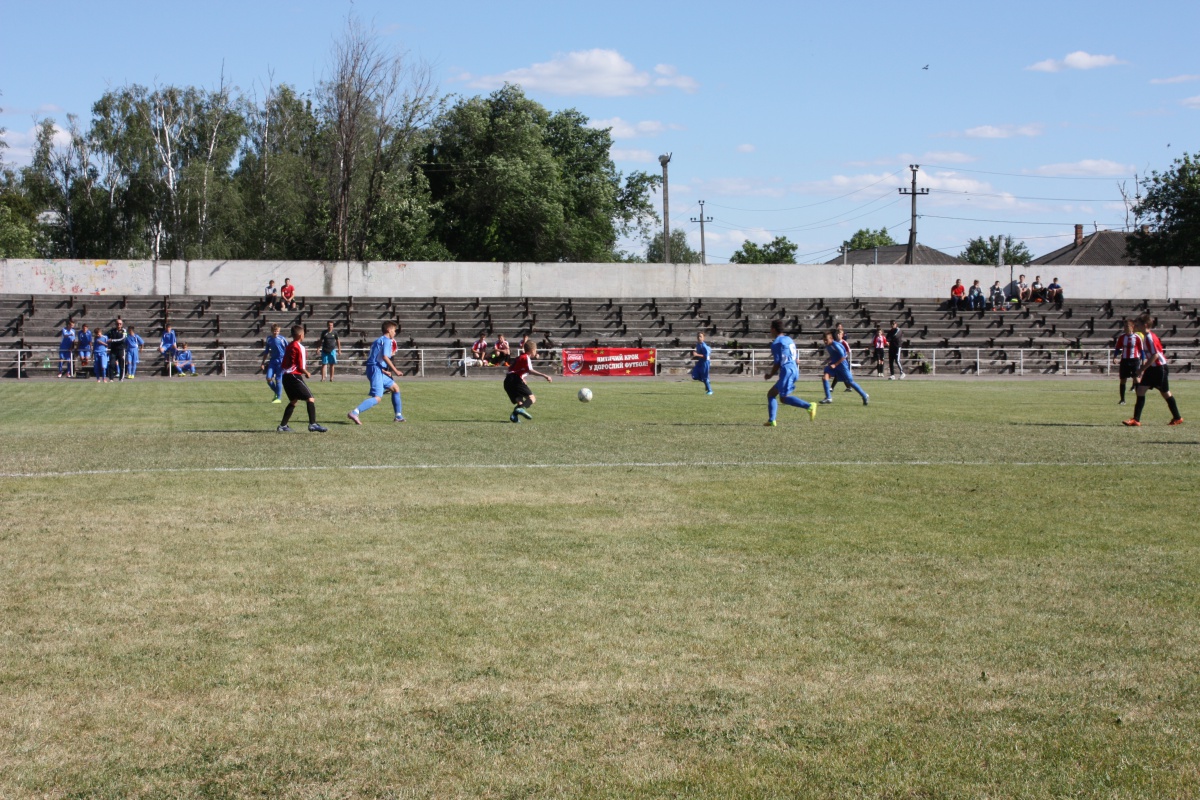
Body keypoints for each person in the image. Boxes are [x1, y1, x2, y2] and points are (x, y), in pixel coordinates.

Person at [1124, 315, 1183, 427]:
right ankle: (1136, 420)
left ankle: (1177, 417)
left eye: (1137, 324)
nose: (1135, 326)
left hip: (1159, 368)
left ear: (1145, 325)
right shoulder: (1147, 336)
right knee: (1141, 390)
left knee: (1165, 393)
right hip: (1154, 368)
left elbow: (1155, 356)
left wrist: (1141, 369)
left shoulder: (1150, 338)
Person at [348, 321, 405, 424]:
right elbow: (385, 357)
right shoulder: (387, 341)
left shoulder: (378, 341)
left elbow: (375, 358)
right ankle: (354, 412)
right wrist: (395, 370)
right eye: (394, 330)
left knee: (395, 388)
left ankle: (398, 416)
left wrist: (383, 370)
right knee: (377, 398)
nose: (395, 333)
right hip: (376, 370)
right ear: (389, 330)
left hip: (376, 369)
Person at [763, 318, 815, 427]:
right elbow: (794, 357)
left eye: (770, 329)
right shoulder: (789, 339)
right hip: (794, 369)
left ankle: (809, 406)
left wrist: (770, 375)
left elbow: (777, 363)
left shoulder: (776, 343)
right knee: (771, 394)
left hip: (787, 371)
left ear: (773, 329)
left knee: (784, 398)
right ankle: (772, 420)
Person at [277, 325, 328, 433]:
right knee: (310, 398)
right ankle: (313, 424)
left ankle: (282, 426)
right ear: (301, 335)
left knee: (293, 401)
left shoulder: (290, 345)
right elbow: (301, 367)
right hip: (294, 376)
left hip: (285, 376)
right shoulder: (300, 347)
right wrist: (307, 373)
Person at [504, 340, 553, 423]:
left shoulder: (519, 357)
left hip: (507, 381)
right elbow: (530, 370)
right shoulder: (526, 357)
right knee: (532, 398)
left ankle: (514, 416)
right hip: (515, 379)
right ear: (532, 350)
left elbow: (512, 370)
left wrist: (522, 377)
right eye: (535, 350)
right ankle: (521, 410)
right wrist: (544, 375)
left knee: (520, 401)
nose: (536, 352)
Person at [820, 330, 869, 406]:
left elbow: (843, 356)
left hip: (842, 365)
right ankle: (828, 397)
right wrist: (831, 361)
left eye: (826, 340)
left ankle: (864, 395)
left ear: (831, 338)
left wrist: (835, 364)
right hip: (834, 364)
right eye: (824, 340)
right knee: (825, 377)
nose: (825, 342)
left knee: (850, 382)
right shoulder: (828, 346)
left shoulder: (835, 345)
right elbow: (834, 355)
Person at [1113, 318, 1143, 406]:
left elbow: (1141, 350)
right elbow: (1118, 348)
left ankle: (1139, 399)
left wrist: (1143, 361)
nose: (1125, 328)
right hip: (1125, 360)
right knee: (1123, 380)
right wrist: (1115, 357)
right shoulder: (1122, 337)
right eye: (1125, 326)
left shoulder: (1137, 337)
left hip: (1135, 360)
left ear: (1132, 327)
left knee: (1137, 380)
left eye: (1127, 326)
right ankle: (1122, 400)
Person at [261, 324, 288, 403]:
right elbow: (266, 351)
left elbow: (288, 349)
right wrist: (263, 363)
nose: (276, 333)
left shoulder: (282, 339)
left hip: (281, 361)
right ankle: (277, 392)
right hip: (273, 361)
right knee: (268, 378)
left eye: (278, 331)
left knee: (278, 379)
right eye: (275, 331)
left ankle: (278, 398)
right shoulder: (269, 339)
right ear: (272, 331)